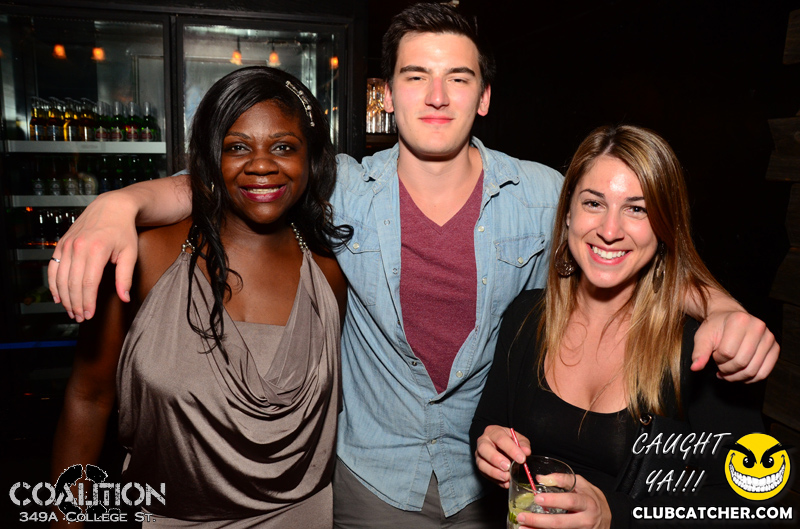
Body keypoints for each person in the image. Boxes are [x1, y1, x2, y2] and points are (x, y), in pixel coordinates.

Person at [48, 4, 778, 528]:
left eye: (458, 78)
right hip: (368, 482)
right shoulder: (341, 187)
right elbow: (236, 176)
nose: (436, 95)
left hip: (491, 483)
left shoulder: (544, 194)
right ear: (388, 94)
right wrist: (122, 203)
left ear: (484, 97)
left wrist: (721, 308)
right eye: (416, 76)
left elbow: (633, 241)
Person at [50, 67, 349, 528]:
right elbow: (88, 398)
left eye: (283, 147)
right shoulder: (145, 257)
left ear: (311, 158)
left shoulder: (329, 273)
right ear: (210, 157)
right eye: (237, 147)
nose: (262, 165)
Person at [470, 125, 768, 529]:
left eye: (637, 209)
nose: (610, 231)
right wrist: (488, 446)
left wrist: (616, 515)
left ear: (663, 226)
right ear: (569, 213)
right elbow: (488, 425)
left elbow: (756, 502)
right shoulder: (526, 317)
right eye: (594, 203)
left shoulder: (698, 350)